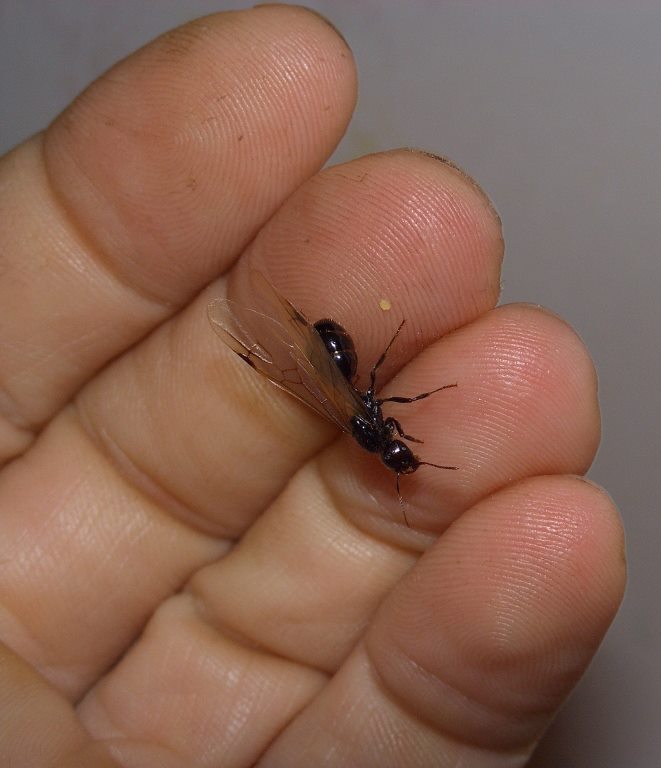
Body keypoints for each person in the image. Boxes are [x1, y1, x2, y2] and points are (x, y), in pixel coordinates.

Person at [0, 6, 625, 766]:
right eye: (402, 450)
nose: (400, 446)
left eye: (398, 454)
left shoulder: (368, 427)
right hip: (335, 351)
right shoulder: (370, 425)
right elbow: (377, 395)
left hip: (335, 357)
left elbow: (373, 398)